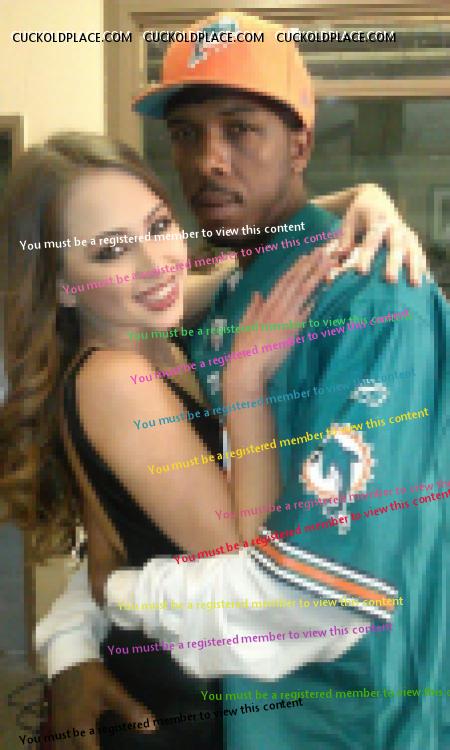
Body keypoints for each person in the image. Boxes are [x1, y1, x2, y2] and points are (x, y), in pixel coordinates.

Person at [31, 10, 445, 750]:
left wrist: (117, 594)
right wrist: (71, 637)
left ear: (300, 144)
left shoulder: (376, 301)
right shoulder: (222, 301)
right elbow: (155, 509)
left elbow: (319, 598)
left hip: (354, 726)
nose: (208, 161)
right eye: (186, 134)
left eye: (240, 129)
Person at [0, 132, 392, 749]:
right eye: (110, 252)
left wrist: (364, 198)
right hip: (170, 706)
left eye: (159, 226)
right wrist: (244, 384)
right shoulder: (114, 379)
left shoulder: (156, 328)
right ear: (64, 285)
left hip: (198, 678)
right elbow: (243, 550)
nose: (155, 264)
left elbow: (262, 243)